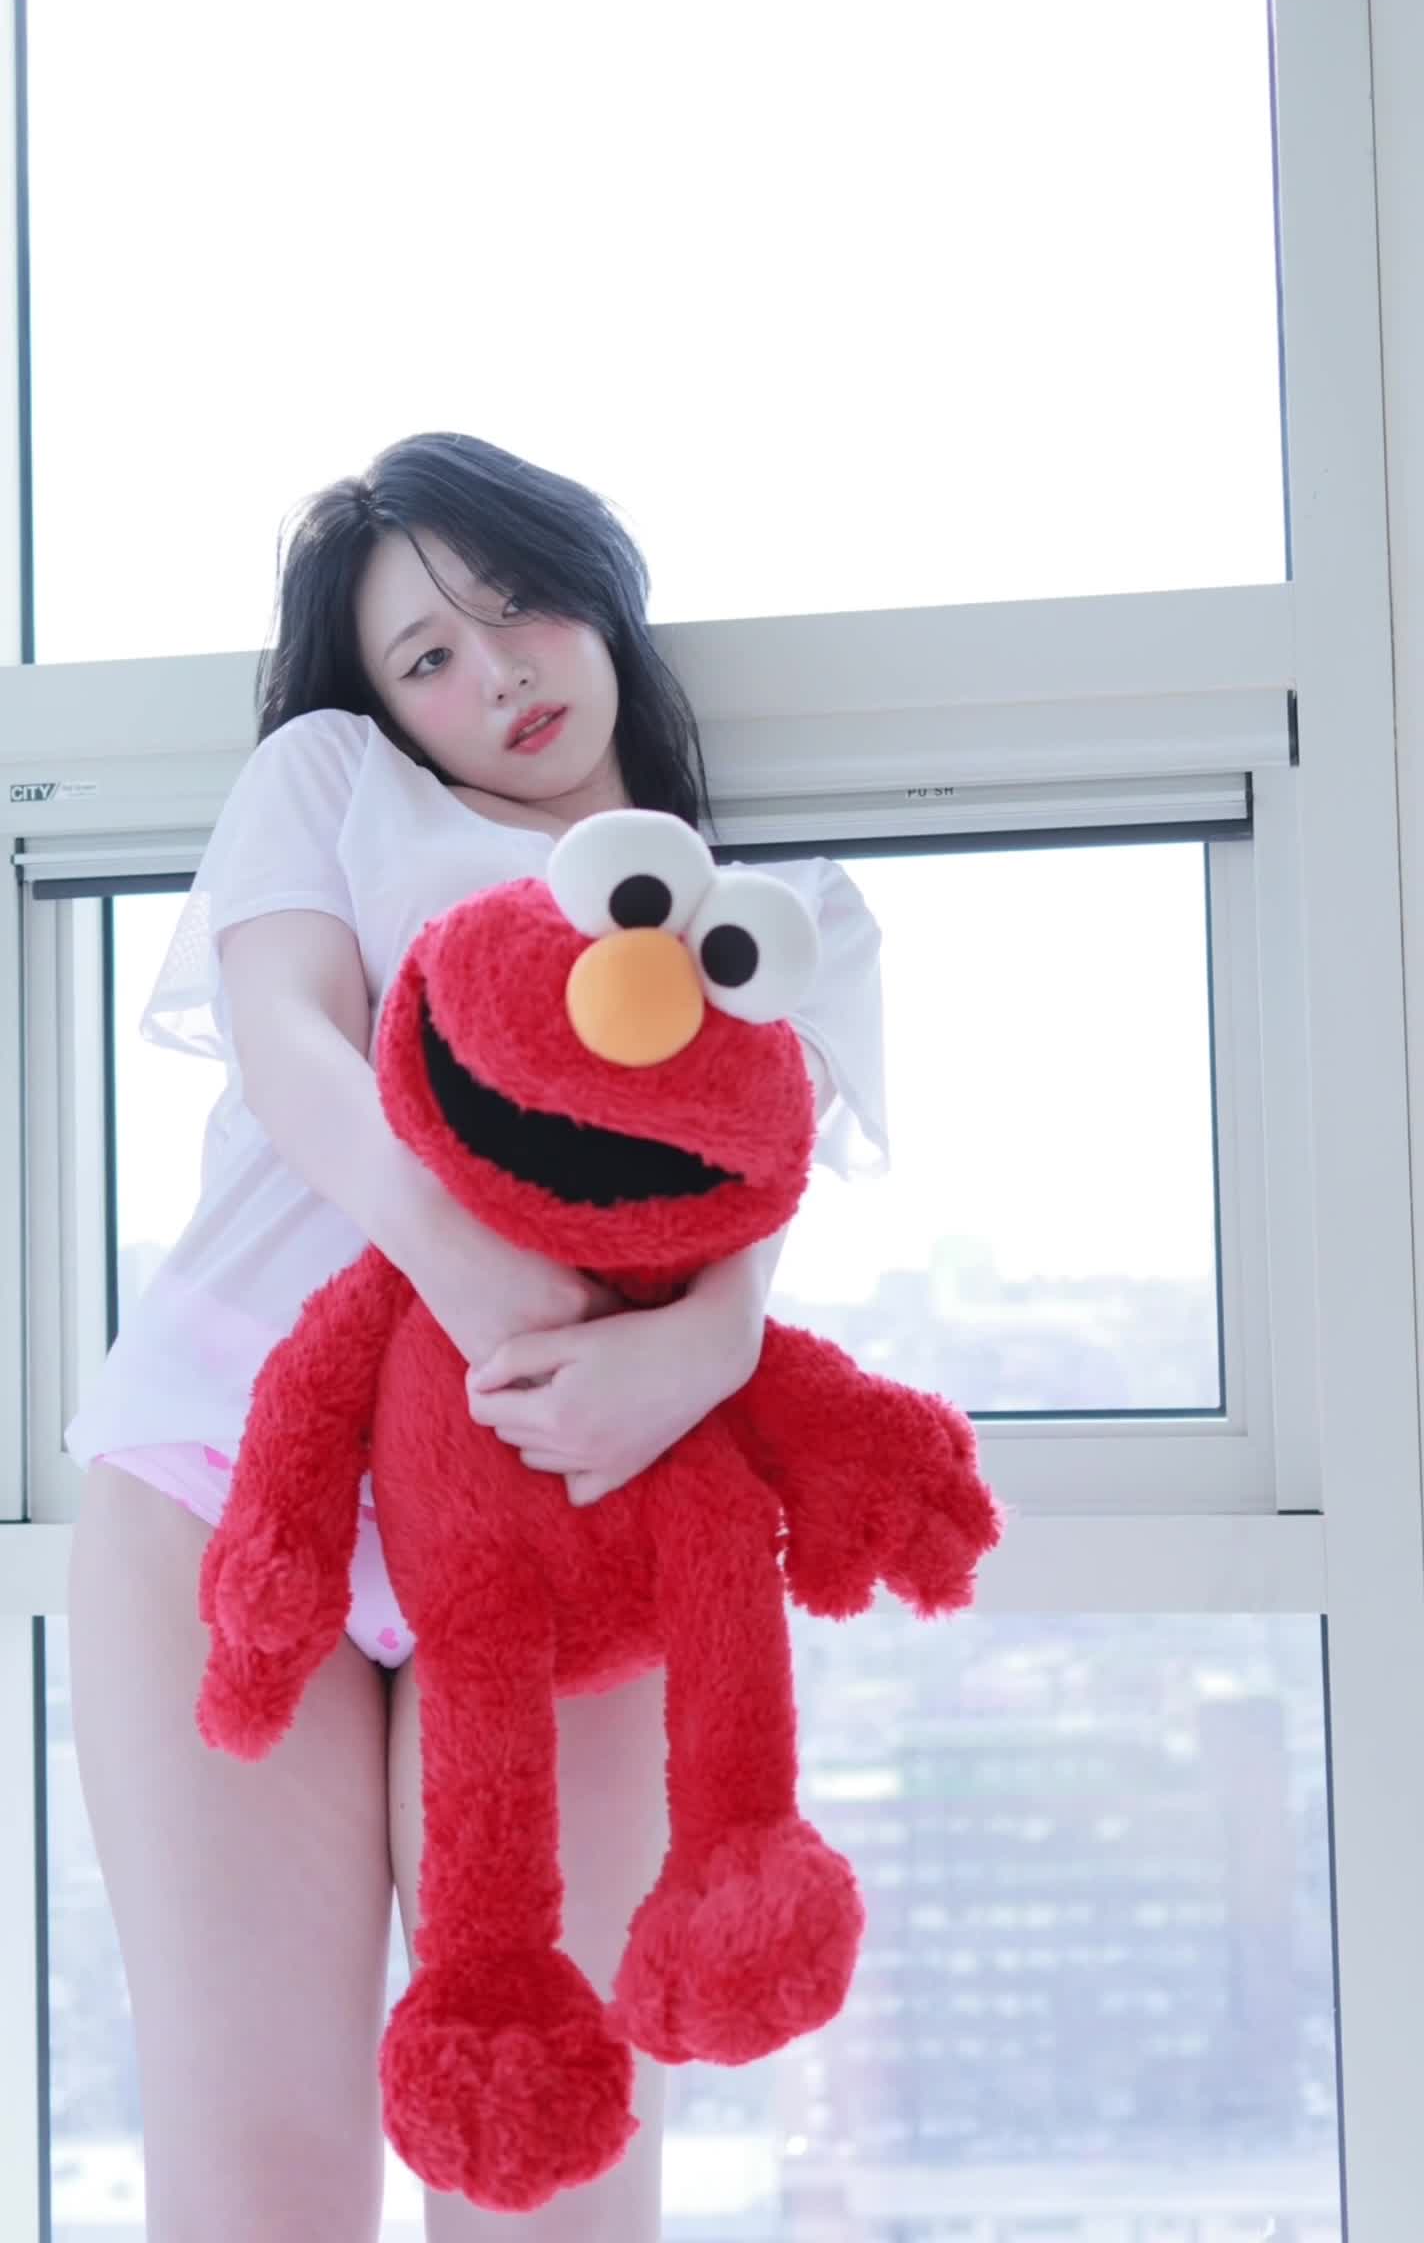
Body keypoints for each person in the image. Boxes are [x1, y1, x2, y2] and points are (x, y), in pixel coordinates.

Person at [64, 428, 889, 2243]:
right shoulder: (332, 779)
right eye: (428, 654)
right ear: (380, 699)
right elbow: (289, 1039)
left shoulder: (781, 914)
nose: (497, 673)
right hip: (228, 1478)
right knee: (258, 2177)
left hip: (573, 1507)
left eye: (518, 609)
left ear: (601, 601)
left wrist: (699, 1359)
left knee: (556, 2169)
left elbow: (746, 1215)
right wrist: (450, 1259)